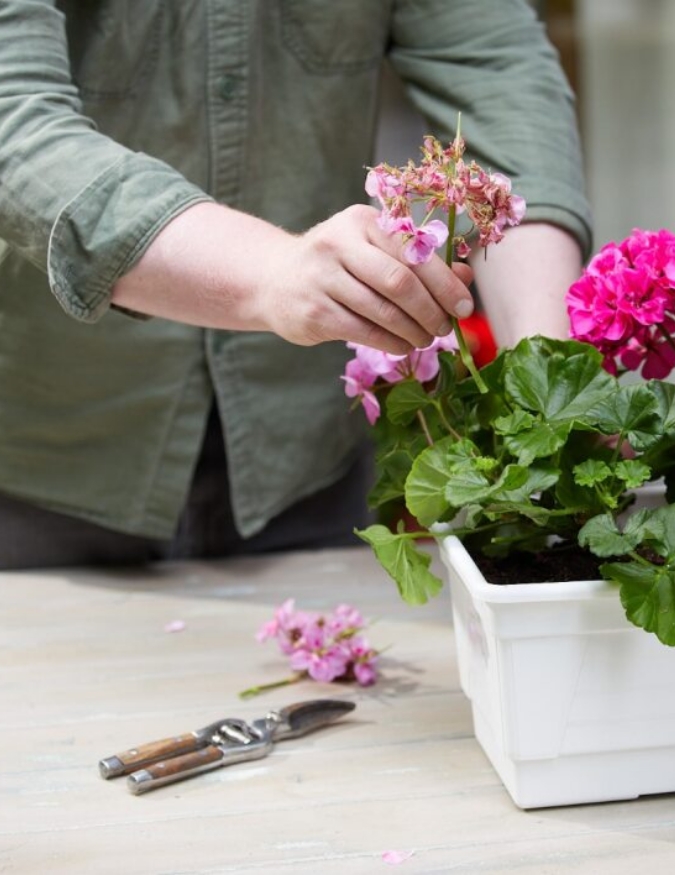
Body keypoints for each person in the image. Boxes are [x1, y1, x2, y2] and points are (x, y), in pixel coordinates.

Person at [0, 0, 591, 568]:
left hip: (306, 460)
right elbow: (15, 118)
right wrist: (272, 275)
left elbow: (496, 68)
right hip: (43, 453)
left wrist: (551, 378)